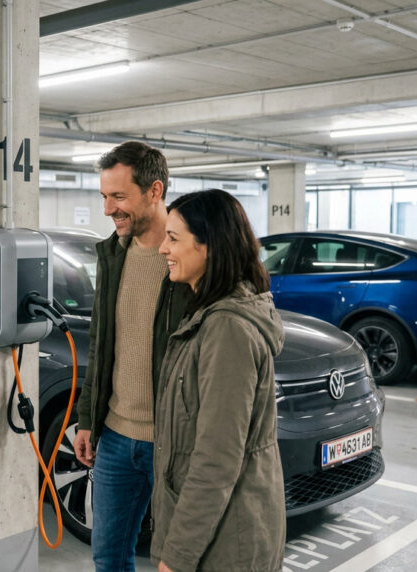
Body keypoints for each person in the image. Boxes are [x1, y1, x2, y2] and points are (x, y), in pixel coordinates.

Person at [72, 141, 191, 571]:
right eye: (104, 196)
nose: (108, 209)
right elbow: (103, 343)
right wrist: (89, 419)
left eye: (118, 197)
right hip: (117, 438)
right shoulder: (112, 255)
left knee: (174, 559)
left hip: (173, 442)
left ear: (154, 190)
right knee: (108, 557)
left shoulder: (189, 260)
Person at [152, 189, 286, 572]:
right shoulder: (207, 313)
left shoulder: (226, 328)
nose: (163, 248)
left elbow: (216, 459)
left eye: (173, 238)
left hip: (227, 542)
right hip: (216, 533)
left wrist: (176, 556)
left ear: (209, 246)